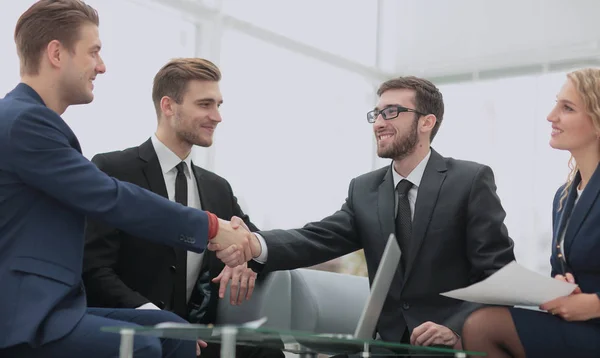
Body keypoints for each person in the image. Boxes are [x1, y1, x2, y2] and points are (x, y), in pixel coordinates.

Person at [0, 1, 250, 357]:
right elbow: (111, 198)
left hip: (56, 307)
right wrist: (210, 228)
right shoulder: (23, 122)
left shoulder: (34, 123)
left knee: (174, 331)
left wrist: (246, 250)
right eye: (94, 52)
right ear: (56, 53)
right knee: (141, 345)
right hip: (21, 315)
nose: (101, 67)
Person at [214, 76, 516, 351]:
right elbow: (317, 237)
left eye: (391, 112)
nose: (379, 123)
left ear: (426, 122)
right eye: (377, 113)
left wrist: (456, 329)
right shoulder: (365, 189)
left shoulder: (469, 181)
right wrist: (254, 244)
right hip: (383, 346)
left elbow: (497, 272)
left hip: (450, 346)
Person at [83, 57, 284, 358]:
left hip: (201, 339)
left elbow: (253, 241)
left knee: (268, 349)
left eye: (219, 104)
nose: (217, 116)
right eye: (205, 104)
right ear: (168, 106)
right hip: (135, 334)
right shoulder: (113, 169)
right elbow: (93, 269)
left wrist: (243, 259)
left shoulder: (218, 188)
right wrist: (157, 320)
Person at [461, 68, 600, 358]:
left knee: (483, 327)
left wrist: (593, 304)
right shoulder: (562, 198)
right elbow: (564, 270)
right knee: (478, 324)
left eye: (567, 108)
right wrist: (561, 287)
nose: (551, 116)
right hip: (575, 327)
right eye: (556, 103)